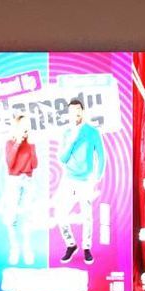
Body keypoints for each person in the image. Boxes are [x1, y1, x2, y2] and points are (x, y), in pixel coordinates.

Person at [55, 97, 105, 265]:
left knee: (87, 216)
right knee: (60, 214)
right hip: (68, 179)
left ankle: (86, 247)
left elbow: (101, 154)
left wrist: (97, 176)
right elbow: (62, 158)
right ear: (68, 113)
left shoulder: (92, 131)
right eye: (72, 111)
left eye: (78, 110)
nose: (75, 114)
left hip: (85, 180)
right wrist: (72, 141)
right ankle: (71, 244)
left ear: (82, 111)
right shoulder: (66, 133)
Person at [2, 110, 39, 267]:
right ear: (17, 127)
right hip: (14, 181)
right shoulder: (10, 143)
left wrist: (30, 145)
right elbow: (10, 164)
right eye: (22, 126)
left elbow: (35, 165)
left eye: (27, 126)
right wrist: (17, 142)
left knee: (28, 217)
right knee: (12, 218)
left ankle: (27, 248)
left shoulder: (30, 143)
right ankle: (14, 249)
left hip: (28, 181)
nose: (25, 129)